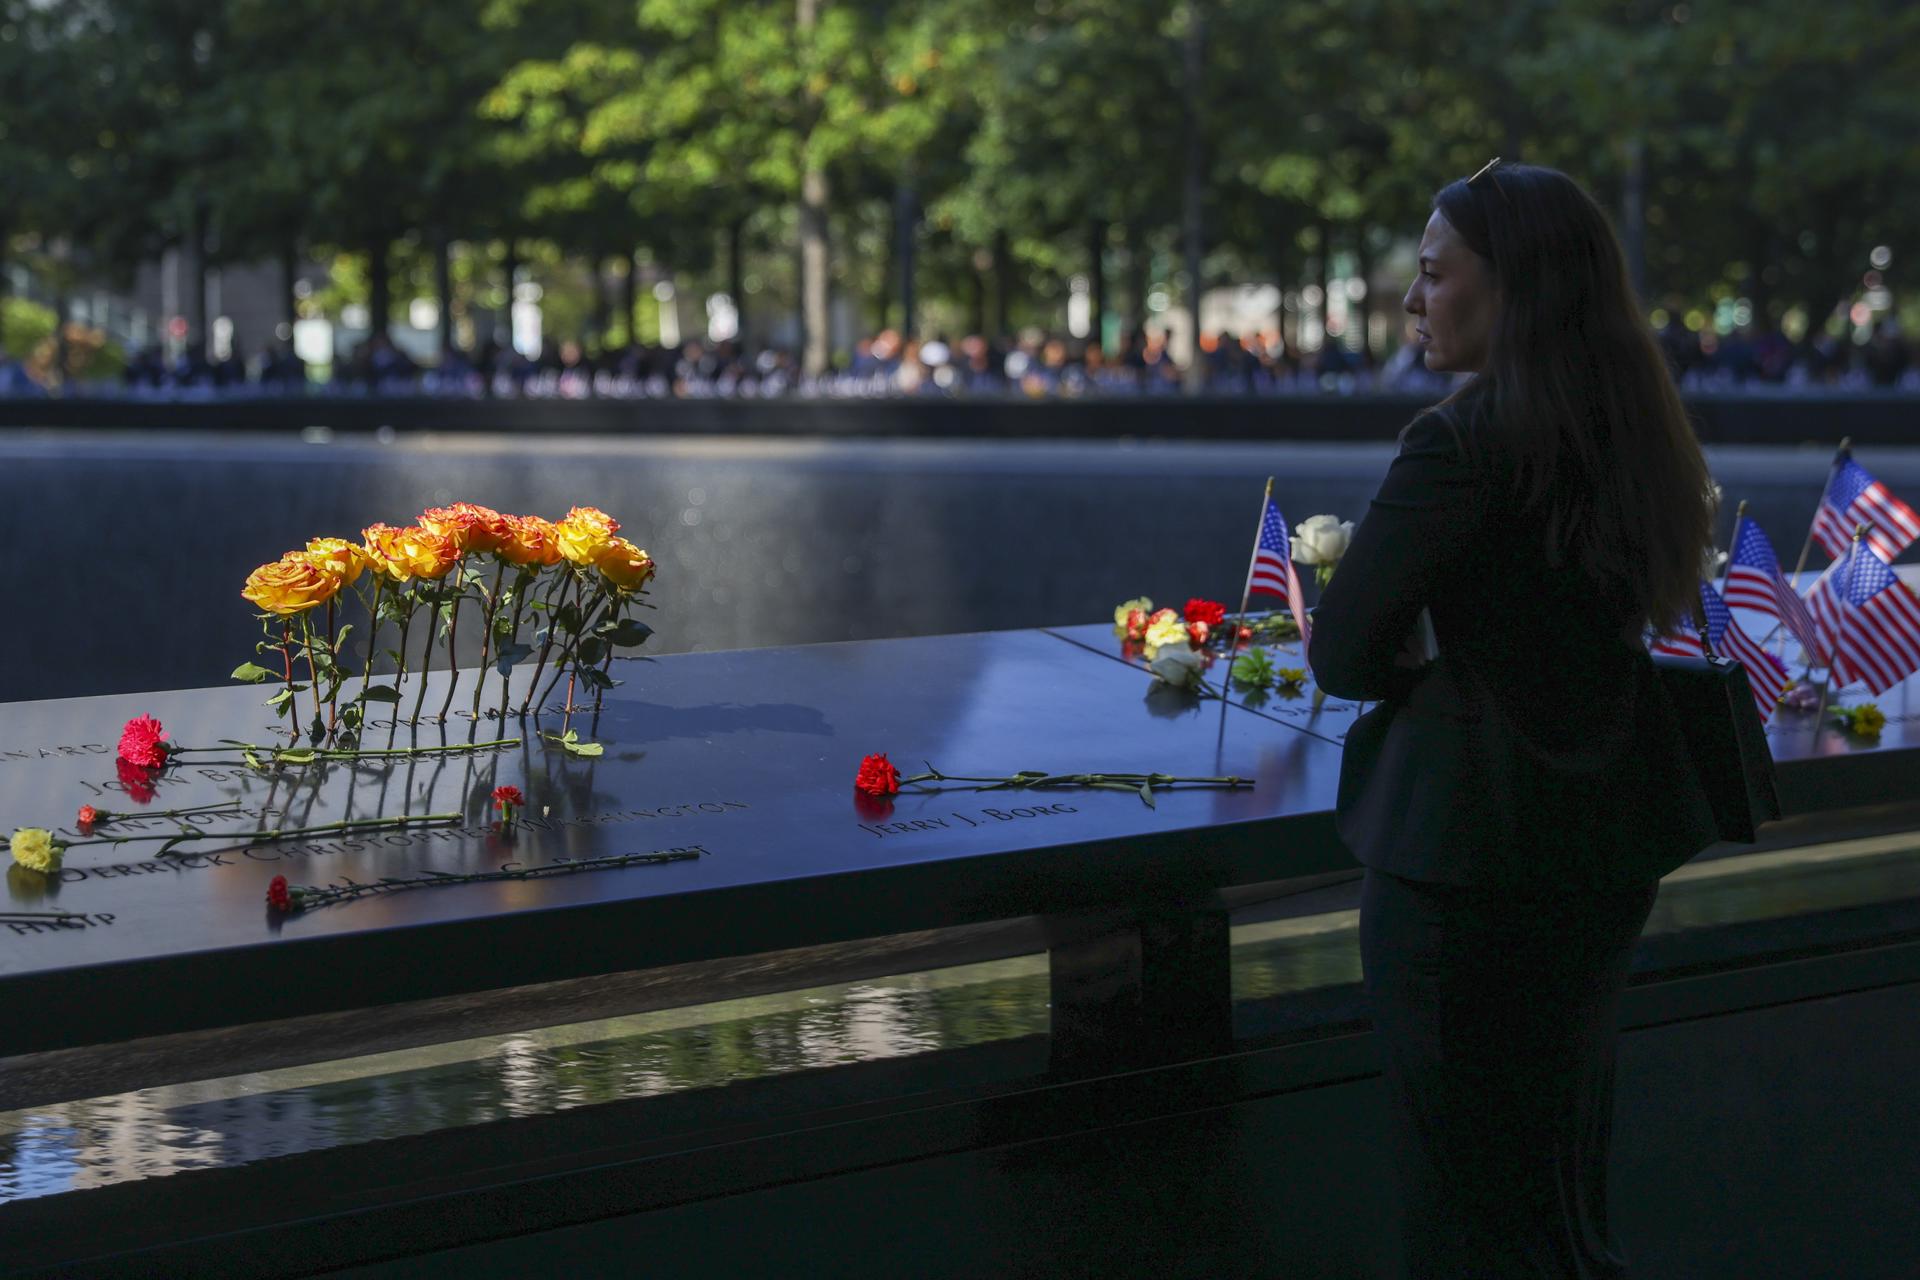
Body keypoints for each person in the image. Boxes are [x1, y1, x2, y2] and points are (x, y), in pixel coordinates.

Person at [1308, 161, 1721, 1277]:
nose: (1412, 303)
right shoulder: (1633, 425)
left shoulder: (1458, 440)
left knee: (1461, 1213)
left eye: (1435, 275)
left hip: (1461, 873)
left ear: (1516, 287)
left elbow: (1340, 649)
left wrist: (1422, 649)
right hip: (1600, 851)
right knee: (1559, 1193)